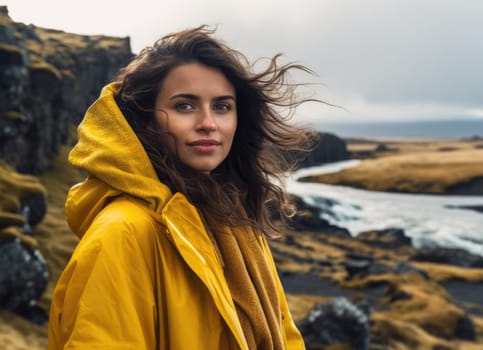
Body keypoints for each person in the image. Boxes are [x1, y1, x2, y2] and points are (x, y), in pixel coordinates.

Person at [47, 26, 316, 350]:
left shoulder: (236, 223)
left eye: (222, 106)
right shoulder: (122, 234)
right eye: (185, 106)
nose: (208, 123)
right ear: (146, 122)